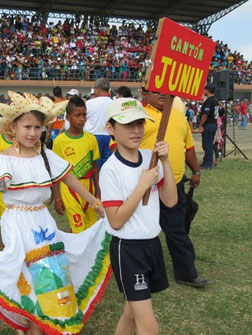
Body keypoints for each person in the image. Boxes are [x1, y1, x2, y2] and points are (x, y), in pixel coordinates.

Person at [0, 91, 111, 335]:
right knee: (27, 278)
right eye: (26, 127)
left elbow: (69, 179)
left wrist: (96, 202)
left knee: (51, 274)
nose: (32, 133)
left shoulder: (45, 156)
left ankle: (49, 320)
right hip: (17, 223)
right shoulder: (3, 159)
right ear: (13, 127)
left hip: (43, 221)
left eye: (37, 127)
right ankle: (31, 323)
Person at [101, 98, 177, 335]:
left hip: (152, 244)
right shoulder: (110, 169)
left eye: (140, 123)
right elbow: (115, 220)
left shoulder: (150, 157)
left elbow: (171, 200)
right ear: (111, 129)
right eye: (127, 124)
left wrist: (165, 161)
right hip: (128, 250)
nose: (136, 130)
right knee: (149, 326)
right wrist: (142, 186)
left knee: (131, 313)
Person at [141, 88, 210, 288]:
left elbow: (188, 148)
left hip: (175, 183)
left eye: (164, 90)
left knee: (176, 228)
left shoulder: (179, 117)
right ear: (143, 94)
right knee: (143, 230)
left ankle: (186, 272)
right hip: (145, 186)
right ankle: (141, 270)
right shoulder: (138, 117)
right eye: (154, 91)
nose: (161, 94)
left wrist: (196, 171)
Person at [53, 97, 100, 233]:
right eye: (77, 115)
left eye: (84, 115)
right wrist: (57, 197)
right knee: (79, 228)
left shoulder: (91, 139)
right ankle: (78, 252)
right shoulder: (60, 141)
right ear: (68, 117)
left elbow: (94, 166)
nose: (82, 119)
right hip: (69, 188)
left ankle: (89, 254)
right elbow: (56, 172)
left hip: (88, 187)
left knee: (92, 228)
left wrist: (98, 190)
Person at [84, 78, 113, 169]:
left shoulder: (90, 103)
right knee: (107, 164)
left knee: (94, 164)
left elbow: (83, 118)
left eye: (94, 88)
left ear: (98, 89)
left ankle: (95, 182)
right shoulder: (113, 103)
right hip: (109, 136)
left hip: (93, 136)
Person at [199, 83, 219, 169]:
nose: (203, 91)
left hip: (208, 125)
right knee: (208, 145)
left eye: (204, 89)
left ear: (208, 90)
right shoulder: (215, 100)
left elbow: (205, 115)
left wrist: (200, 125)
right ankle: (206, 162)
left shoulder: (209, 100)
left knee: (207, 145)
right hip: (213, 124)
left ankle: (207, 164)